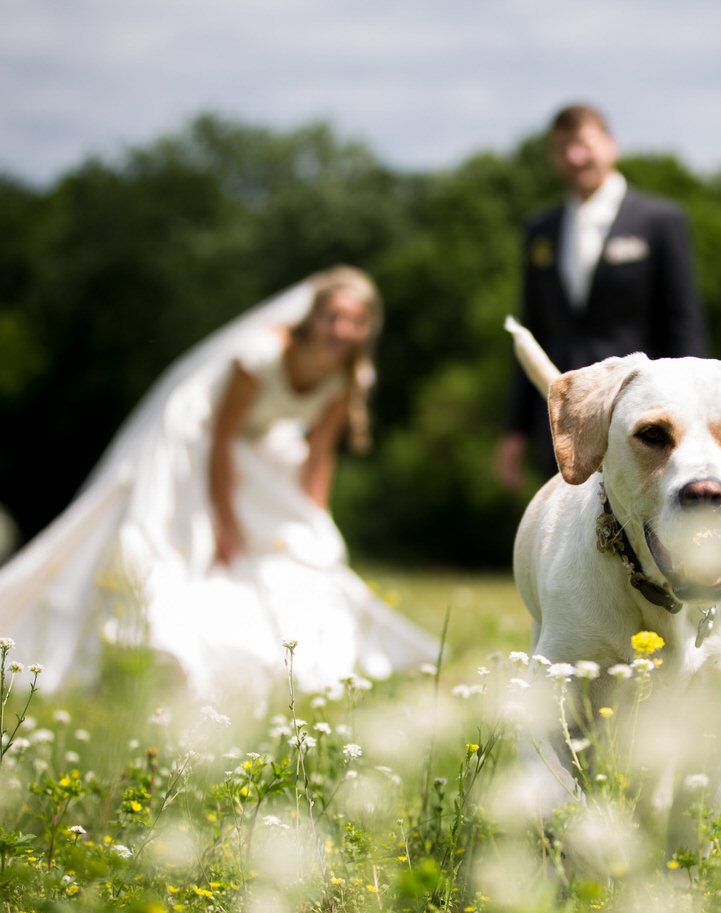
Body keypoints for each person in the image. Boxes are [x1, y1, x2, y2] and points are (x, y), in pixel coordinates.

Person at [0, 268, 438, 697]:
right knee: (170, 543)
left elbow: (319, 455)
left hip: (258, 445)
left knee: (297, 546)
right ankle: (129, 651)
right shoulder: (263, 355)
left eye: (355, 320)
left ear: (366, 327)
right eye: (333, 316)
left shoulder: (349, 376)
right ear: (313, 316)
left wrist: (316, 518)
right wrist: (225, 525)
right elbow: (221, 438)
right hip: (195, 435)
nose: (342, 329)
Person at [496, 102, 708, 486]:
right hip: (565, 420)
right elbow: (532, 333)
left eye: (583, 143)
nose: (575, 157)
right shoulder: (539, 231)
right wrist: (516, 431)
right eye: (562, 148)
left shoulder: (659, 221)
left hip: (645, 418)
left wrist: (694, 413)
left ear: (612, 145)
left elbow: (683, 323)